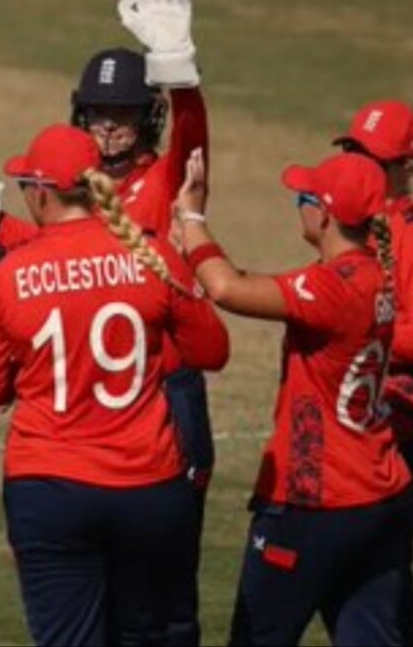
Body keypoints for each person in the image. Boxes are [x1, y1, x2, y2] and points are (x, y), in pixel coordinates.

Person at [0, 124, 227, 645]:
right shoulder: (151, 254)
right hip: (149, 487)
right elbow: (211, 352)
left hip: (51, 488)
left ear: (39, 193)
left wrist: (31, 369)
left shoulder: (6, 274)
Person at [175, 150, 413, 645]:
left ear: (323, 213)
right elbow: (252, 285)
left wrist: (193, 220)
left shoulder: (333, 289)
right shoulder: (376, 277)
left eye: (303, 197)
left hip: (314, 501)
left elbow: (225, 288)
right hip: (380, 494)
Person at [335, 101, 413, 468]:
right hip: (353, 400)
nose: (360, 168)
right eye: (353, 153)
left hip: (399, 417)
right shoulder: (348, 221)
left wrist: (363, 330)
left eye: (374, 160)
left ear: (406, 167)